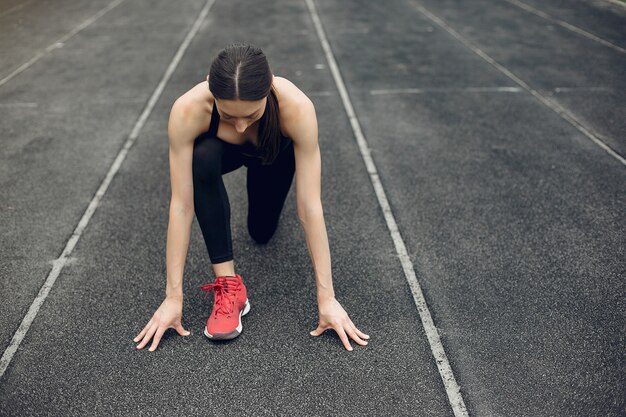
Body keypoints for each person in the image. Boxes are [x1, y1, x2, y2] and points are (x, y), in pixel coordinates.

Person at [133, 43, 370, 352]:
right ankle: (230, 286)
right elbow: (181, 205)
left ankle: (265, 199)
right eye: (229, 115)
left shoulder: (296, 108)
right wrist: (172, 297)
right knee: (201, 157)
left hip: (272, 155)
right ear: (211, 90)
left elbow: (310, 207)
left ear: (268, 91)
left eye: (251, 114)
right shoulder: (188, 110)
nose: (241, 124)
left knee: (260, 232)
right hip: (220, 154)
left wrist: (327, 299)